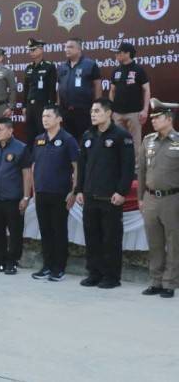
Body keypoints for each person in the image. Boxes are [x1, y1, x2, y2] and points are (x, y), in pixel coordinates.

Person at [76, 98, 135, 289]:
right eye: (92, 111)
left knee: (111, 240)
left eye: (97, 111)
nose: (93, 114)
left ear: (108, 113)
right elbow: (82, 166)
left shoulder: (121, 136)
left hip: (111, 198)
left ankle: (111, 277)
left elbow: (128, 168)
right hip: (90, 196)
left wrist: (122, 191)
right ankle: (94, 273)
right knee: (92, 238)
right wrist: (79, 190)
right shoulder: (88, 135)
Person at [29, 106, 79, 282]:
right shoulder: (38, 140)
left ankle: (59, 268)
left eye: (49, 116)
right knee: (45, 231)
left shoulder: (68, 140)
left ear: (59, 119)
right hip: (41, 192)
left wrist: (74, 191)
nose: (45, 119)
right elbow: (34, 166)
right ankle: (47, 266)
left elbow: (77, 167)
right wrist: (34, 190)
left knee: (59, 231)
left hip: (60, 193)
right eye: (43, 116)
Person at [0, 117, 33, 275]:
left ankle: (12, 262)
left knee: (15, 232)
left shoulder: (21, 148)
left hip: (13, 199)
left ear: (10, 130)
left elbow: (27, 174)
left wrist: (25, 197)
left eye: (0, 129)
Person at [138, 99, 179, 299]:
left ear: (169, 119)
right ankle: (155, 281)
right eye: (152, 117)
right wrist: (140, 198)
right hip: (151, 198)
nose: (153, 120)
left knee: (174, 243)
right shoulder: (148, 140)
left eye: (157, 117)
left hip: (172, 199)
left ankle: (169, 283)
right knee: (154, 243)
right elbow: (141, 172)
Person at [108, 41, 150, 153]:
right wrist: (112, 109)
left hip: (134, 113)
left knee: (135, 143)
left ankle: (136, 164)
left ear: (127, 53)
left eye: (119, 52)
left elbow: (146, 90)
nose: (116, 55)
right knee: (118, 142)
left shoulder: (138, 69)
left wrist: (145, 110)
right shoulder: (116, 71)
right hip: (117, 113)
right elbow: (112, 91)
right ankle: (120, 163)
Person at [58, 38, 102, 139]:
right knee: (68, 140)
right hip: (65, 112)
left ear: (79, 49)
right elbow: (60, 87)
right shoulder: (62, 67)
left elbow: (97, 85)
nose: (67, 50)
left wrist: (97, 105)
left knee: (85, 139)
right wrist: (58, 107)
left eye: (70, 47)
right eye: (66, 47)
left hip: (84, 111)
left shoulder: (90, 64)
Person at [22, 38, 58, 143]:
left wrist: (51, 106)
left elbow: (52, 89)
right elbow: (26, 89)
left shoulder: (49, 66)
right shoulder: (29, 68)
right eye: (30, 50)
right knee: (29, 133)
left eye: (33, 50)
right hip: (30, 106)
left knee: (42, 132)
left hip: (42, 105)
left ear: (41, 50)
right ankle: (31, 153)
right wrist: (24, 106)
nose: (31, 52)